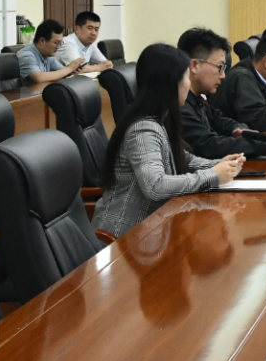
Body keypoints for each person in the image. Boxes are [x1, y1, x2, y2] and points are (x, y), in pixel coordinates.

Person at [92, 44, 243, 238]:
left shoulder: (159, 119)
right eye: (186, 78)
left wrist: (221, 164)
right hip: (125, 238)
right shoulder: (143, 128)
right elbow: (155, 187)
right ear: (172, 84)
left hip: (153, 230)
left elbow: (183, 158)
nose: (188, 85)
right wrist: (212, 175)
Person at [177, 28, 266, 160]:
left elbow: (220, 120)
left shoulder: (197, 100)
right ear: (194, 66)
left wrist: (238, 128)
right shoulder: (180, 106)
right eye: (219, 67)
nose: (223, 76)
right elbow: (210, 146)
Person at [17, 19, 85, 84]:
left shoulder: (47, 56)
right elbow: (39, 78)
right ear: (42, 41)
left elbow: (62, 71)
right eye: (56, 43)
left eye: (60, 43)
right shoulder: (26, 55)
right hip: (28, 92)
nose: (58, 47)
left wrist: (73, 69)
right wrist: (70, 68)